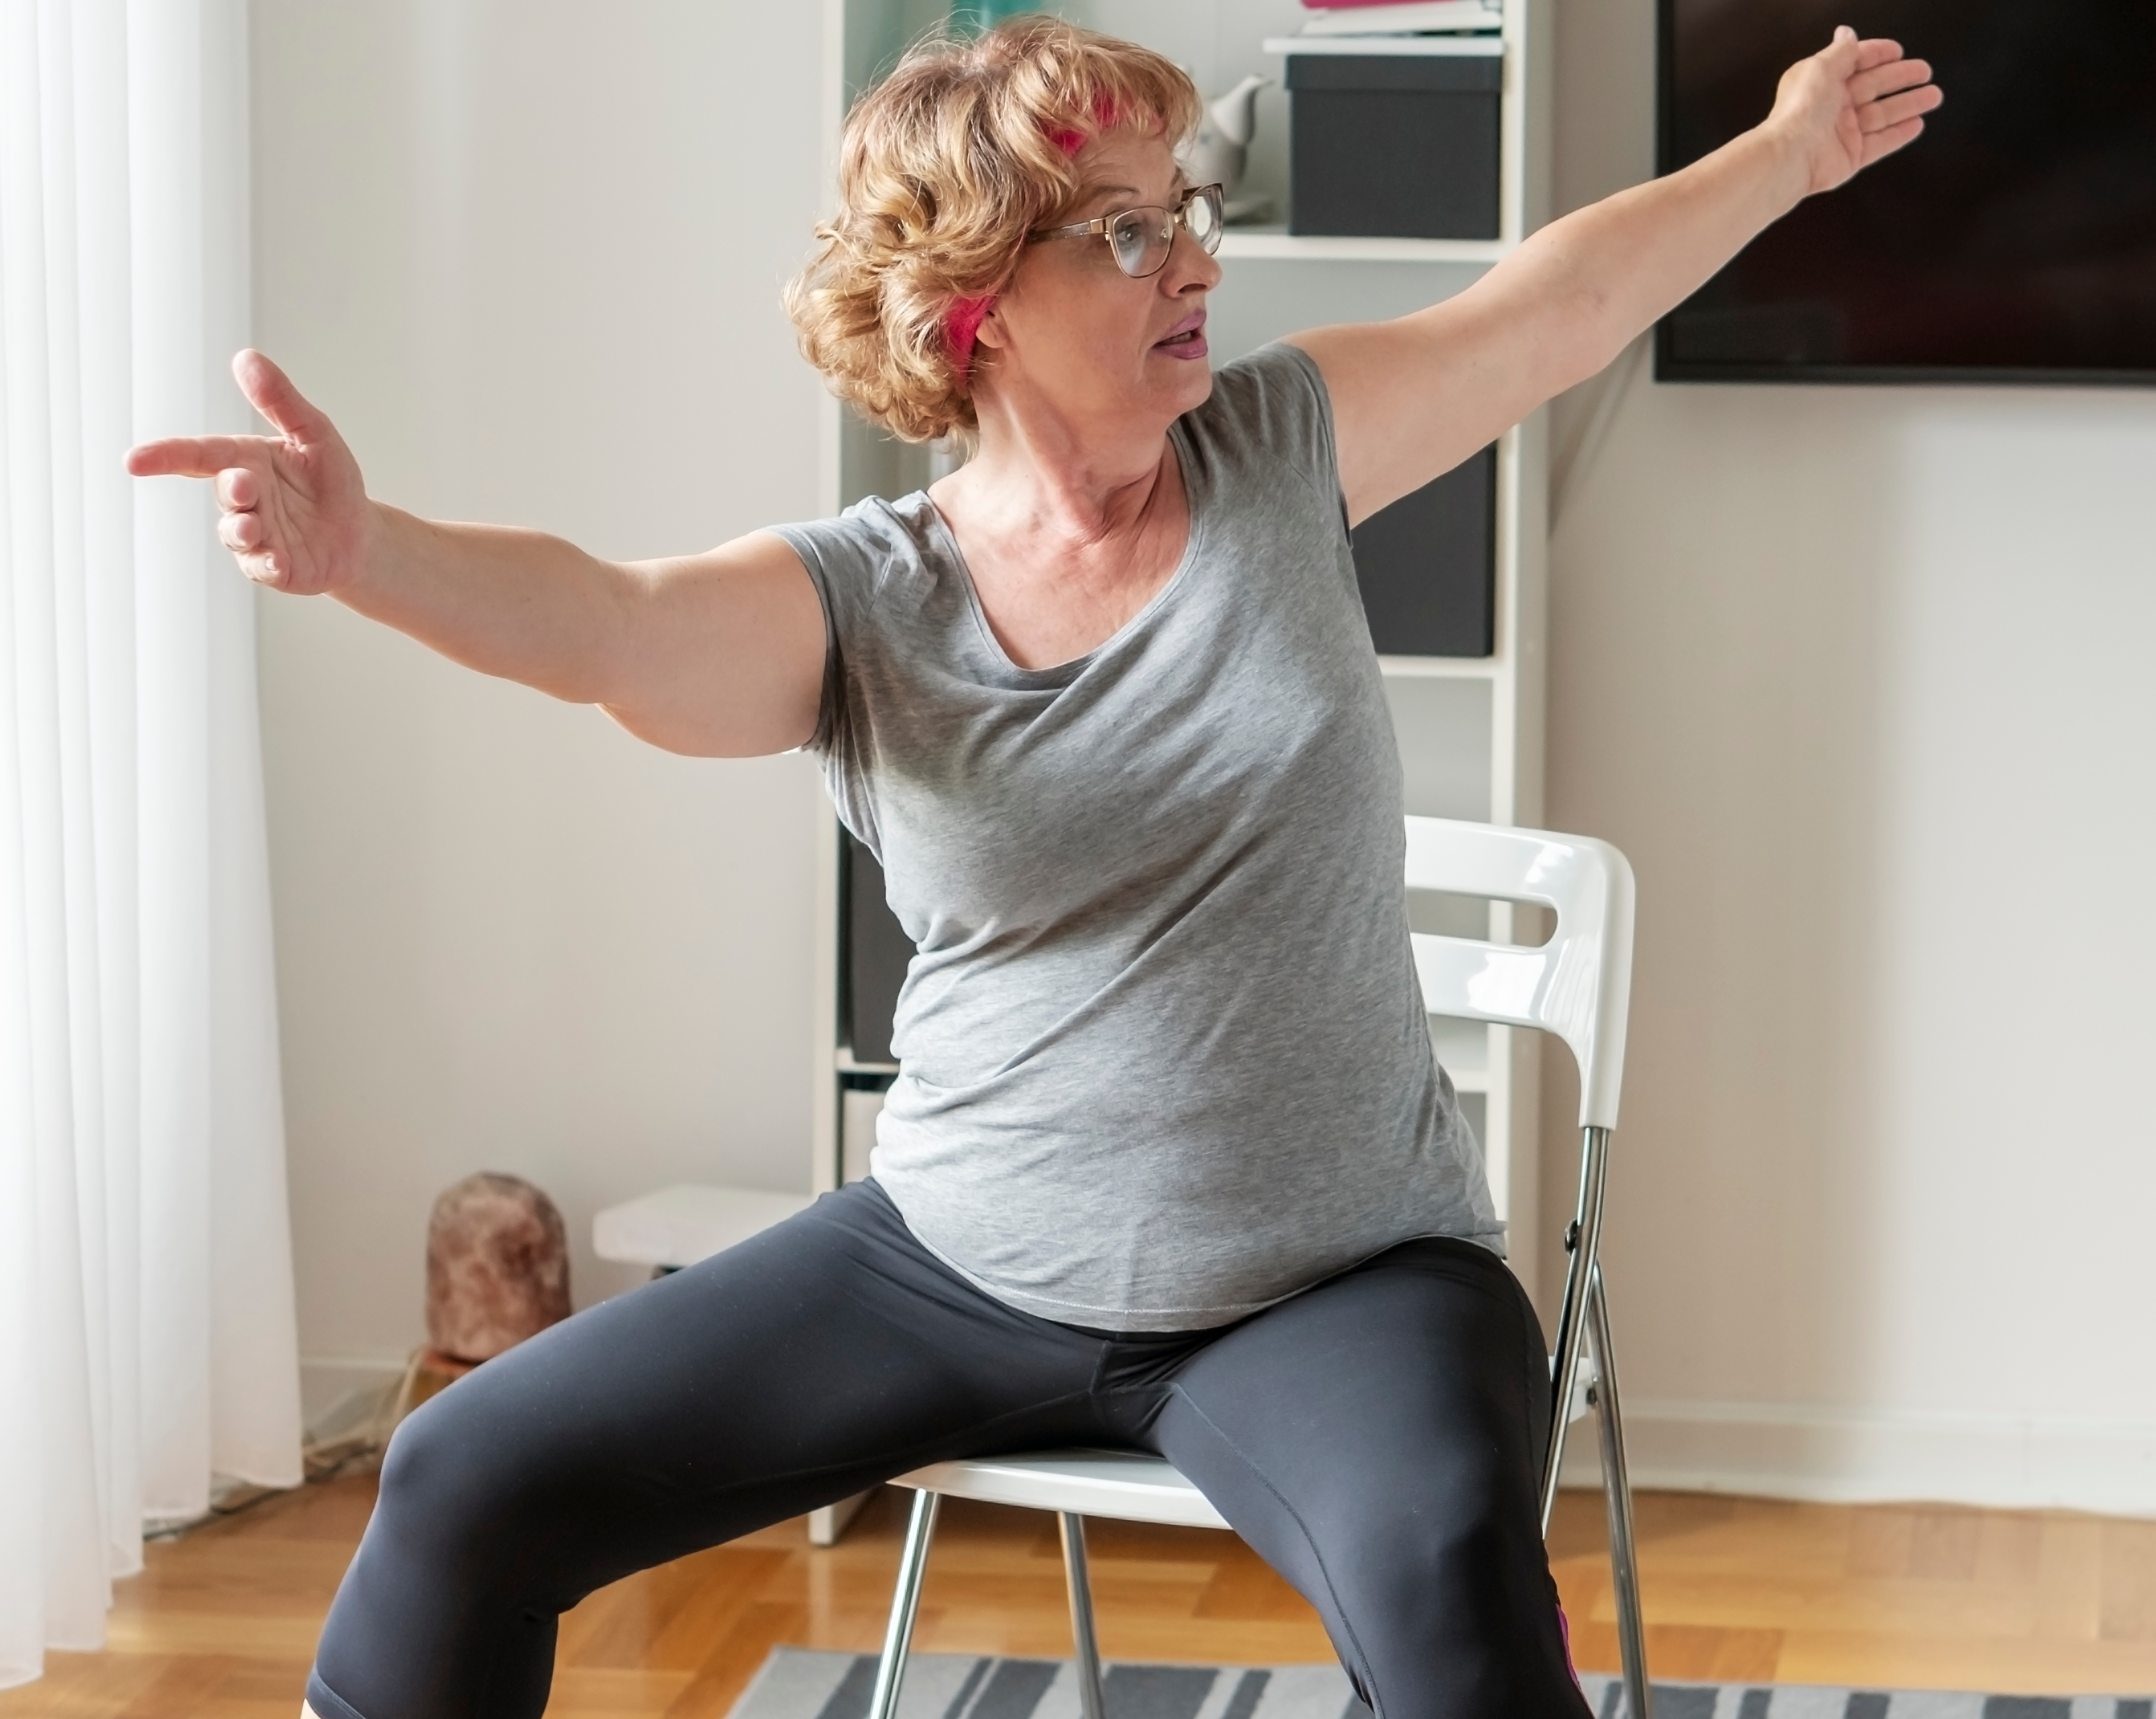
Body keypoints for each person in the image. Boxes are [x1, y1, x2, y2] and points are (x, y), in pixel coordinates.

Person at [128, 17, 1937, 1719]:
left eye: (1190, 218)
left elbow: (1553, 306)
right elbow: (610, 623)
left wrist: (1785, 149)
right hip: (955, 1259)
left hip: (1340, 1273)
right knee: (463, 1471)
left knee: (1454, 1568)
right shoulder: (866, 601)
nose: (1197, 266)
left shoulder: (1281, 454)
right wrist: (368, 554)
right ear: (974, 302)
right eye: (1128, 234)